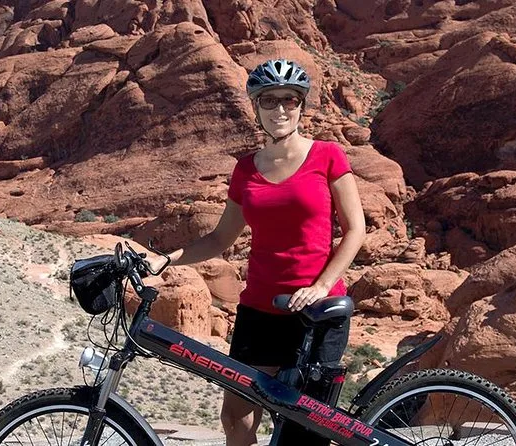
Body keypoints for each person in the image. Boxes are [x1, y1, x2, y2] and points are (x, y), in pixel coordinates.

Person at [147, 59, 366, 446]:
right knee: (237, 417)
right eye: (269, 100)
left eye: (289, 100)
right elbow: (219, 238)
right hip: (260, 310)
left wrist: (321, 286)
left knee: (303, 434)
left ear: (301, 106)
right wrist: (166, 259)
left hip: (316, 312)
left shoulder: (327, 155)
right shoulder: (246, 169)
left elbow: (355, 231)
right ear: (255, 107)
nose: (279, 109)